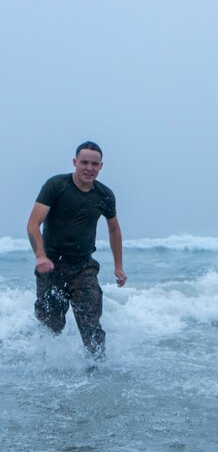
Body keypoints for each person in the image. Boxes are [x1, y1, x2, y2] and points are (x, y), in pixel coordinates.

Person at [26, 141, 127, 359]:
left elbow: (114, 230)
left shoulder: (105, 195)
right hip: (51, 265)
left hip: (83, 267)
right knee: (51, 323)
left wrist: (118, 266)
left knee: (91, 324)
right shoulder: (56, 186)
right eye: (84, 162)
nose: (89, 168)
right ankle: (43, 365)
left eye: (94, 163)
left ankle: (98, 368)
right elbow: (33, 224)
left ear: (101, 166)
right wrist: (40, 256)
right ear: (75, 162)